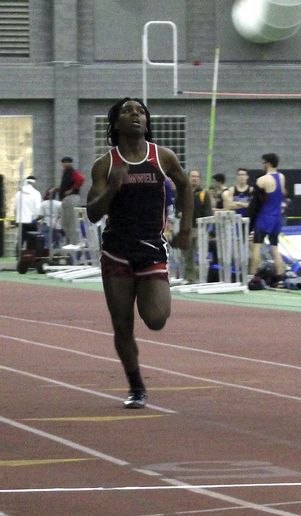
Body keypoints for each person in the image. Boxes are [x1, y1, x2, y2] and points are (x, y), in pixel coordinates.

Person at [86, 97, 193, 408]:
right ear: (116, 123)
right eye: (127, 111)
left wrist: (186, 228)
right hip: (117, 253)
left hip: (151, 250)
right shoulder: (105, 164)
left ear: (147, 122)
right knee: (122, 325)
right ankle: (136, 386)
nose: (135, 115)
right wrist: (111, 188)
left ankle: (137, 380)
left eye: (140, 112)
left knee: (157, 319)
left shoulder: (163, 157)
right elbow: (93, 213)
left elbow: (185, 186)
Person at [250, 152, 286, 279]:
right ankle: (280, 276)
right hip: (277, 218)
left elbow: (255, 204)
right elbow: (282, 194)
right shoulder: (281, 177)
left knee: (257, 246)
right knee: (274, 247)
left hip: (265, 217)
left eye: (263, 163)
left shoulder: (262, 180)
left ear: (268, 163)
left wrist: (251, 222)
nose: (262, 165)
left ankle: (253, 276)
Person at [183, 169, 214, 283]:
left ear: (199, 179)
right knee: (188, 255)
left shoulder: (203, 194)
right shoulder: (184, 191)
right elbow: (177, 207)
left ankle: (202, 278)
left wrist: (208, 229)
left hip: (200, 229)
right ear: (188, 177)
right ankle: (190, 278)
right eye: (192, 176)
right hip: (186, 229)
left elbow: (208, 212)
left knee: (201, 255)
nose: (194, 178)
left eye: (197, 177)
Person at [56, 157, 85, 247]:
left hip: (71, 198)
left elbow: (81, 179)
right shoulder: (66, 172)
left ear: (68, 163)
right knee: (66, 222)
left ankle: (75, 242)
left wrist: (71, 190)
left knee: (72, 221)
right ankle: (70, 241)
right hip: (66, 199)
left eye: (64, 163)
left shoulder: (71, 171)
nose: (63, 165)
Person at [14, 175, 42, 249]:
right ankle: (30, 258)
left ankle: (18, 257)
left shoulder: (18, 194)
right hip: (31, 221)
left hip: (20, 221)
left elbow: (16, 208)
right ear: (34, 183)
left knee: (20, 240)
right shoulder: (36, 193)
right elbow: (38, 209)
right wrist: (37, 218)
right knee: (32, 241)